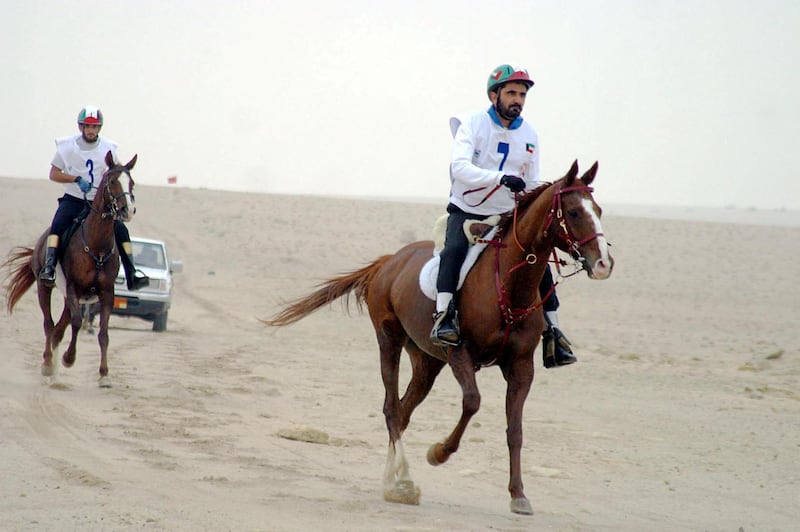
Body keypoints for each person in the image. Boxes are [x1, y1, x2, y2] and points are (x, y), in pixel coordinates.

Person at [430, 64, 577, 368]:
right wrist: (498, 179)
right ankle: (443, 316)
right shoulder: (472, 124)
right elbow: (459, 168)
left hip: (507, 214)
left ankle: (554, 333)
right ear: (494, 94)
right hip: (467, 209)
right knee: (454, 251)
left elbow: (533, 179)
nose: (518, 99)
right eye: (511, 92)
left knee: (537, 258)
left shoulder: (530, 133)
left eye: (522, 94)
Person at [39, 106, 149, 291]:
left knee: (121, 230)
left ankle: (132, 272)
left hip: (98, 203)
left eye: (95, 127)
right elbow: (53, 174)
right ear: (81, 127)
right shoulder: (66, 148)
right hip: (74, 199)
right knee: (58, 225)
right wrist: (75, 179)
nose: (91, 130)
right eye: (87, 126)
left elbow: (116, 171)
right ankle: (49, 267)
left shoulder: (109, 148)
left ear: (99, 128)